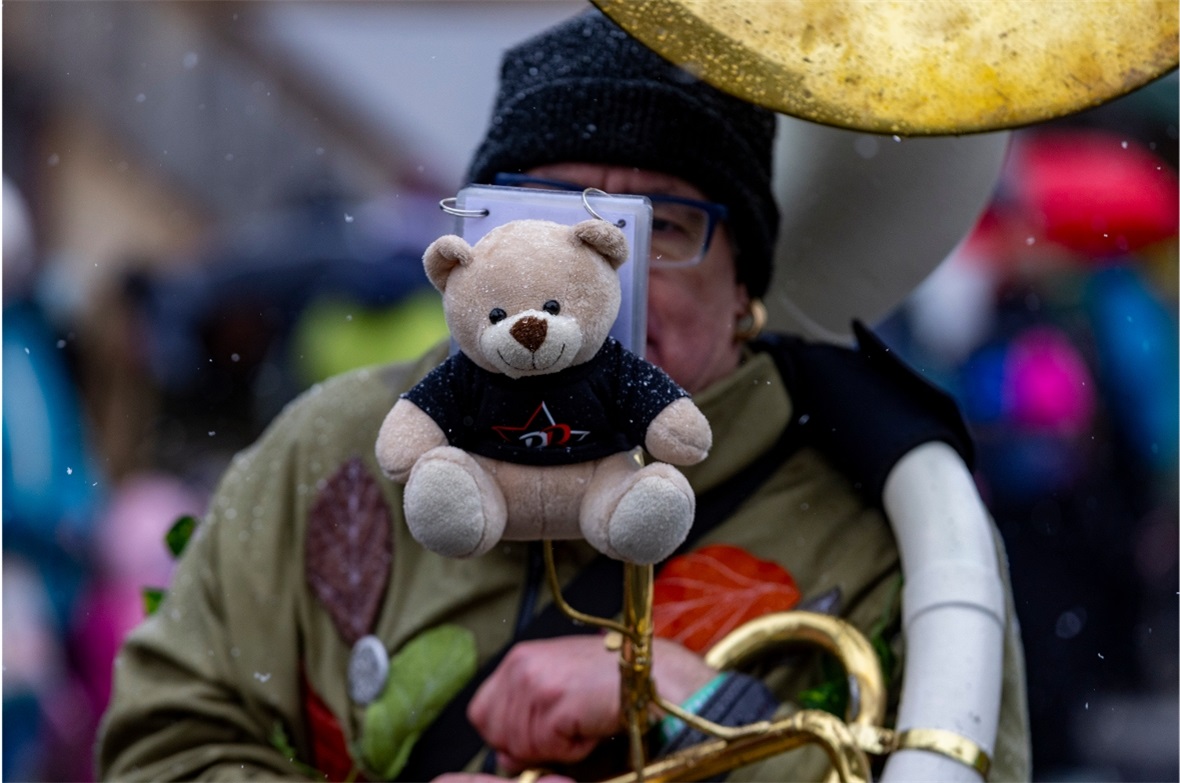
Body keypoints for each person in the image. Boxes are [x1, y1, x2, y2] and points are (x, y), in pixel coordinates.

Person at [97, 9, 1030, 782]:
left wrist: (689, 703)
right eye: (545, 216)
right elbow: (160, 745)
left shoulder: (883, 525)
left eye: (660, 227)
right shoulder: (332, 444)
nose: (601, 285)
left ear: (743, 281)